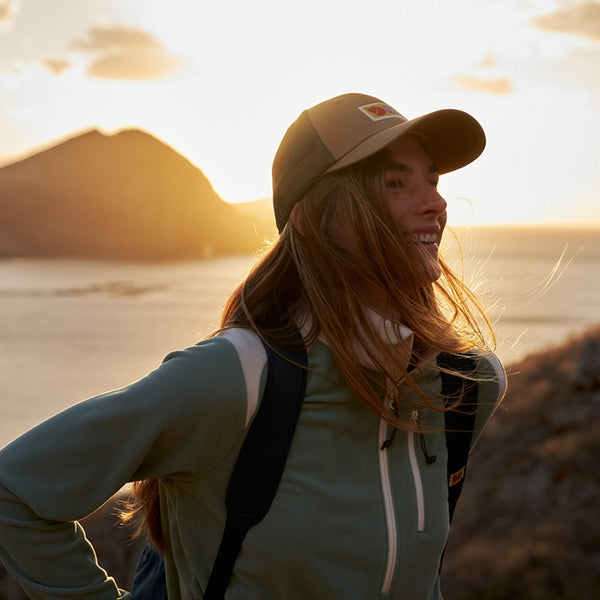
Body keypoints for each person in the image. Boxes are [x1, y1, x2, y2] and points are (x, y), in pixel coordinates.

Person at [0, 92, 506, 599]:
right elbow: (14, 490)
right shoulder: (239, 376)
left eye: (433, 180)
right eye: (395, 183)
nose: (436, 204)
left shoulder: (465, 386)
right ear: (314, 218)